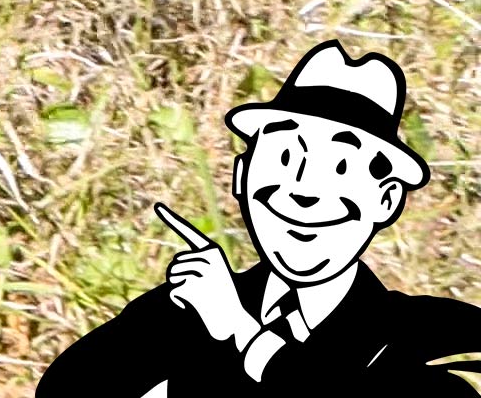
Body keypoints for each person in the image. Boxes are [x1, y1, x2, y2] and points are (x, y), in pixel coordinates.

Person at [39, 42, 481, 394]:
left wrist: (242, 332)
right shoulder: (189, 305)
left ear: (386, 201)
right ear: (241, 176)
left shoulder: (433, 333)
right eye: (286, 160)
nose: (304, 192)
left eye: (340, 169)